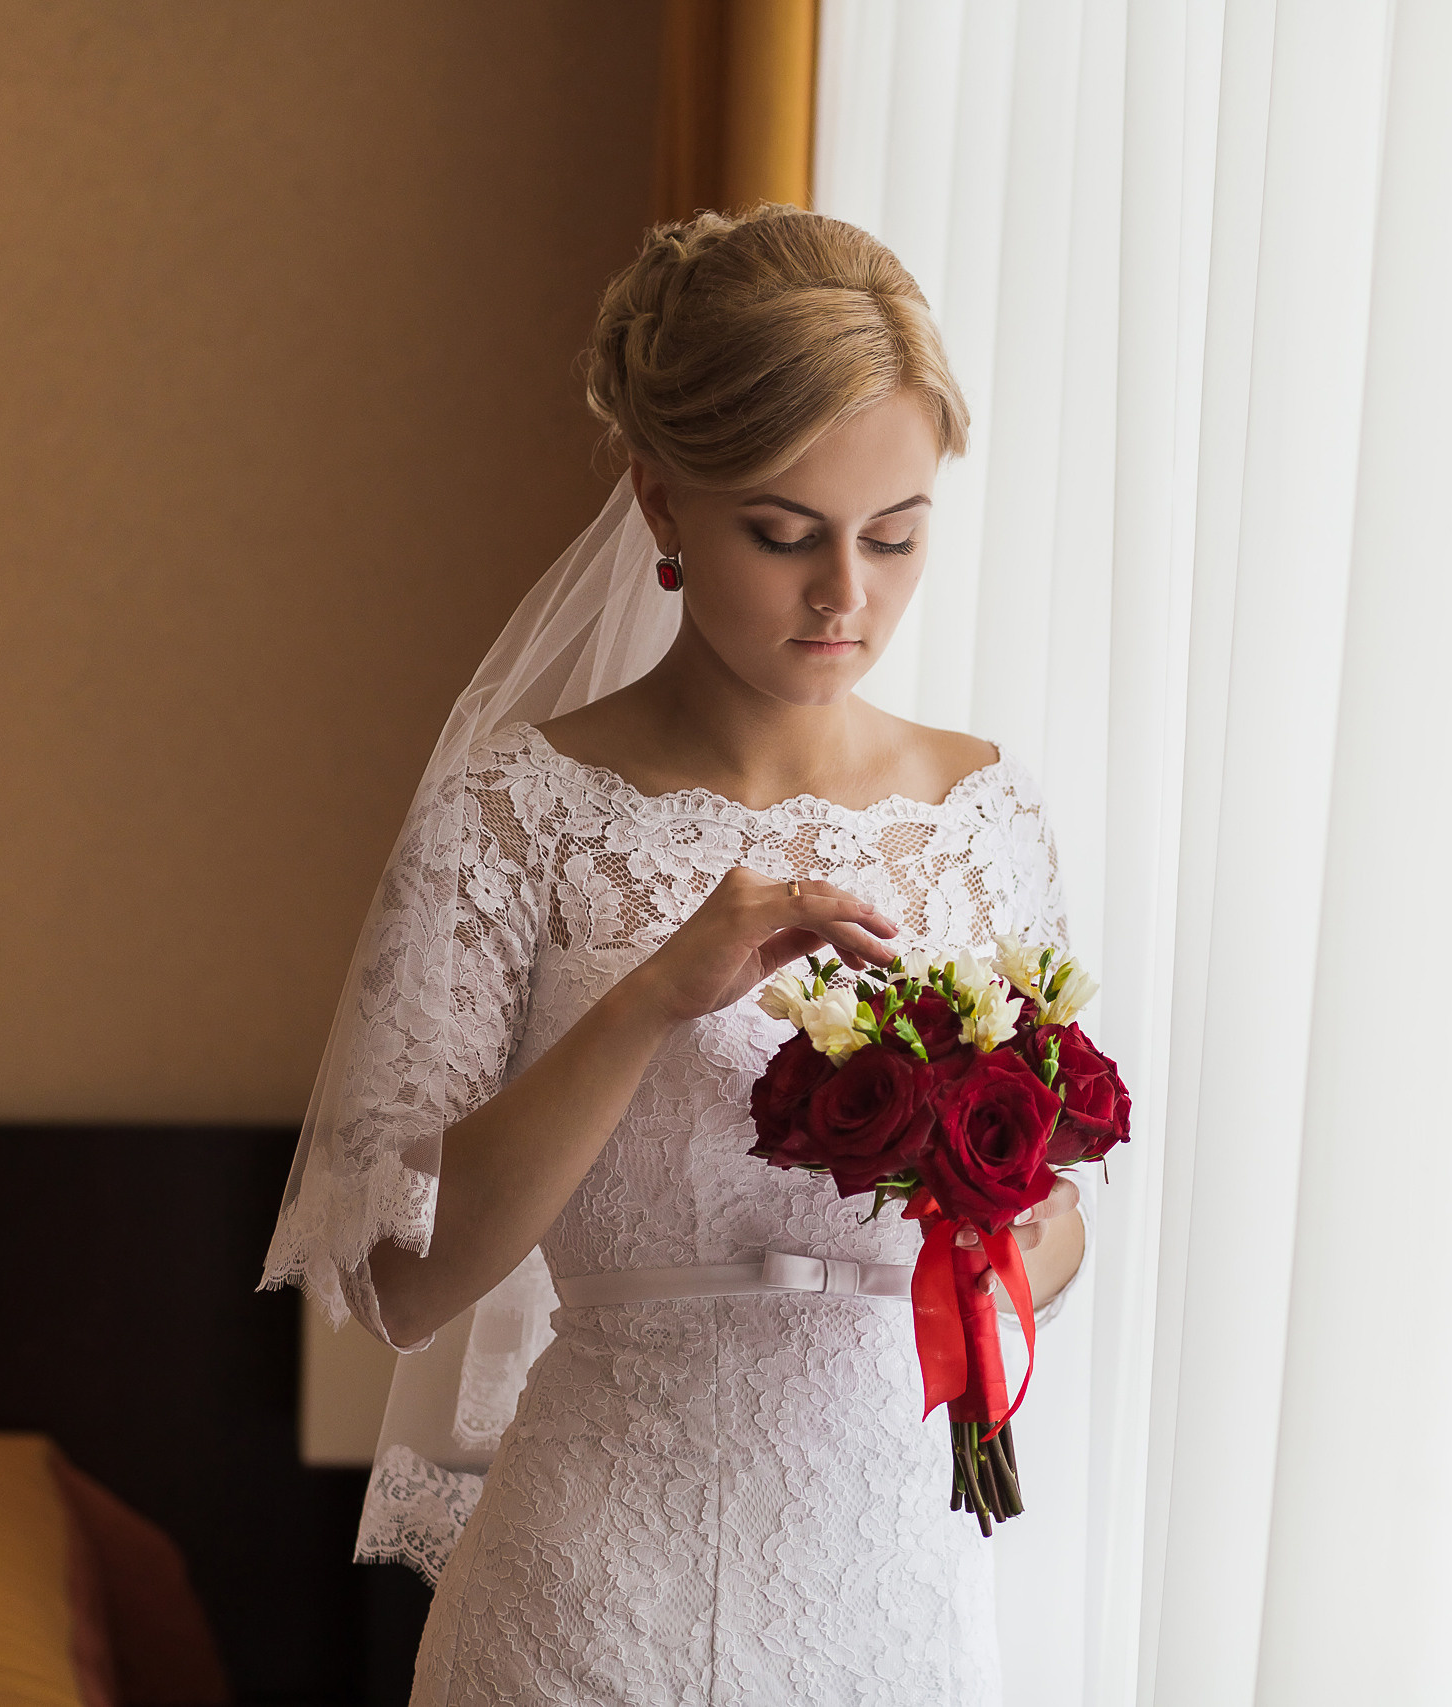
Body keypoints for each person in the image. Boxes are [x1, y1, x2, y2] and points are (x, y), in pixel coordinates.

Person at [263, 204, 1090, 1706]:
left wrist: (999, 1224)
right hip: (596, 1599)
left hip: (896, 1587)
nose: (846, 595)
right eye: (785, 533)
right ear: (660, 503)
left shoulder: (986, 814)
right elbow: (400, 1282)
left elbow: (1060, 1230)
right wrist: (655, 995)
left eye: (895, 535)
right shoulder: (517, 813)